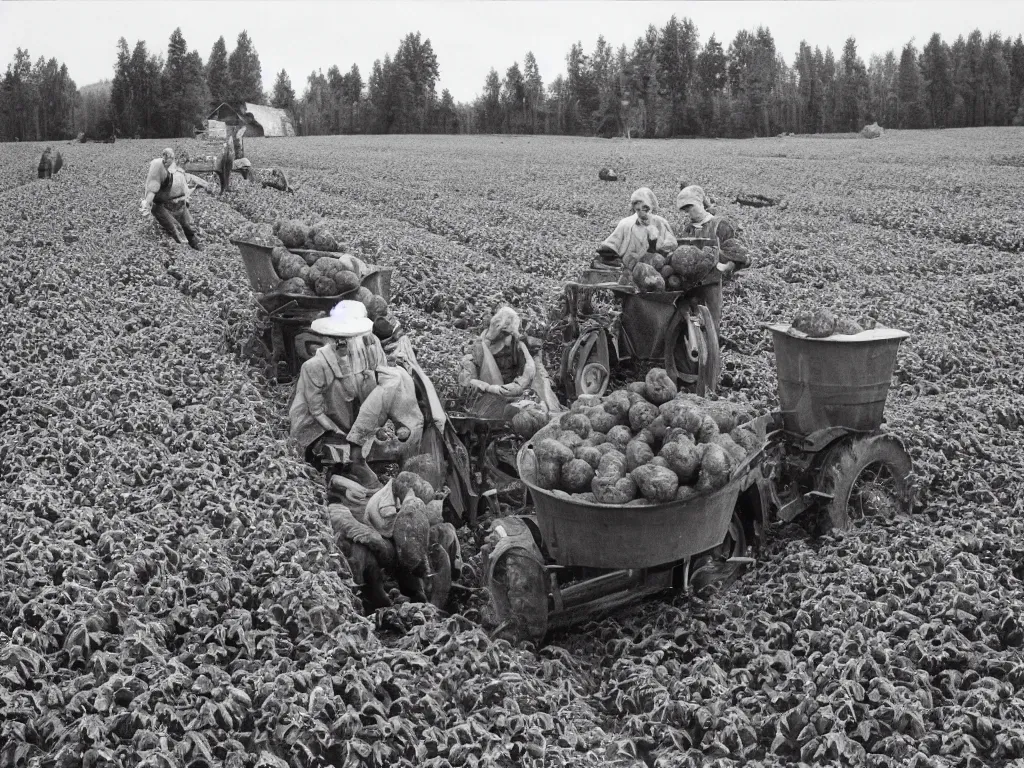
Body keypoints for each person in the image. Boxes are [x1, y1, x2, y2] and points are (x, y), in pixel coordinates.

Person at [289, 300, 424, 491]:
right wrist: (336, 430)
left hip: (352, 423)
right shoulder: (315, 366)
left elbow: (373, 386)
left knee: (391, 378)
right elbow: (316, 410)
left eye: (350, 338)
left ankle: (356, 458)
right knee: (334, 450)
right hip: (318, 426)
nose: (345, 343)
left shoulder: (367, 347)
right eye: (339, 339)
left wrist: (378, 423)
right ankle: (343, 466)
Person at [458, 306, 562, 419]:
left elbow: (530, 373)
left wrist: (513, 387)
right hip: (489, 396)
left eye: (507, 334)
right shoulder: (479, 348)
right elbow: (468, 380)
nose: (505, 340)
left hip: (515, 392)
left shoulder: (519, 346)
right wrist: (488, 387)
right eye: (502, 333)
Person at [675, 185, 751, 334]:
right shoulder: (688, 228)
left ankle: (711, 355)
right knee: (689, 325)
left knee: (711, 324)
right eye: (686, 210)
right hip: (689, 284)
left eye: (691, 208)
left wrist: (726, 266)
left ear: (701, 203)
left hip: (711, 284)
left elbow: (737, 252)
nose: (689, 213)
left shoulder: (720, 225)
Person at [139, 148, 210, 250]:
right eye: (181, 158)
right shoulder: (160, 170)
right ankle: (183, 252)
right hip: (165, 206)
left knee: (189, 227)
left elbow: (190, 179)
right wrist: (147, 204)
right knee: (176, 230)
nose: (182, 161)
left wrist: (205, 184)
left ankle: (196, 246)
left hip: (181, 205)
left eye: (184, 159)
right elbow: (152, 188)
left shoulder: (180, 172)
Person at [598, 187, 678, 268]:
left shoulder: (660, 222)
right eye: (638, 209)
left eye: (645, 209)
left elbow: (671, 242)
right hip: (633, 261)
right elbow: (612, 244)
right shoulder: (627, 223)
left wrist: (659, 244)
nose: (642, 212)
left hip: (656, 260)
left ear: (651, 207)